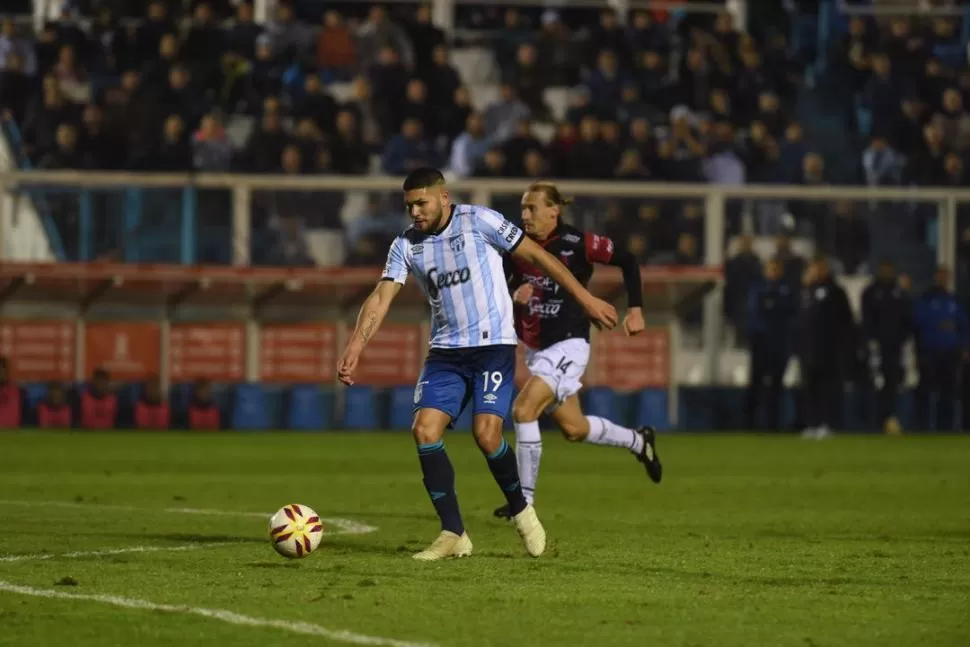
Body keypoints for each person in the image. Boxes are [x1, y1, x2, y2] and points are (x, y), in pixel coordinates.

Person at [336, 167, 618, 561]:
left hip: (492, 348)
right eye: (409, 205)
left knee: (487, 435)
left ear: (443, 198)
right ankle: (453, 531)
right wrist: (355, 346)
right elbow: (381, 297)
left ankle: (522, 512)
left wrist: (586, 301)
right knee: (424, 431)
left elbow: (538, 256)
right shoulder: (406, 245)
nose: (415, 212)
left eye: (422, 203)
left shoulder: (479, 221)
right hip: (445, 353)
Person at [492, 182, 662, 520]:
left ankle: (522, 503)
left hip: (569, 342)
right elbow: (502, 284)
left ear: (554, 210)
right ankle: (639, 442)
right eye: (523, 208)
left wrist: (637, 308)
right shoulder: (515, 248)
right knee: (574, 429)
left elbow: (627, 259)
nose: (525, 215)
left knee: (524, 410)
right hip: (537, 350)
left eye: (533, 208)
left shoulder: (577, 243)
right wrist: (515, 294)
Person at [796, 257, 855, 439]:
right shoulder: (805, 291)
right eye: (813, 268)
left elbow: (846, 321)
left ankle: (828, 423)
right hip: (807, 349)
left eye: (819, 268)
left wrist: (842, 345)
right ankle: (812, 423)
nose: (816, 272)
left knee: (828, 388)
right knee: (809, 387)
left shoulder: (836, 291)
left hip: (829, 349)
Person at [743, 258, 797, 430]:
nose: (773, 272)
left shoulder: (787, 289)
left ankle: (772, 424)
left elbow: (790, 313)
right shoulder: (757, 289)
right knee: (756, 384)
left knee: (776, 385)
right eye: (770, 268)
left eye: (776, 268)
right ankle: (750, 423)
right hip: (761, 344)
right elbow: (754, 315)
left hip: (779, 344)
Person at [913, 266, 968, 431]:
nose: (942, 280)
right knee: (926, 391)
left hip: (950, 353)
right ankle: (922, 426)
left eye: (946, 277)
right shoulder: (926, 299)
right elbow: (919, 321)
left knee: (948, 392)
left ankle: (945, 427)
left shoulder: (954, 300)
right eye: (940, 276)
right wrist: (939, 325)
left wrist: (965, 346)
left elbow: (964, 325)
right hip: (930, 351)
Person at [860, 261, 911, 433]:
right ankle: (874, 421)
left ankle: (890, 419)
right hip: (876, 346)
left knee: (893, 383)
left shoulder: (899, 292)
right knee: (875, 383)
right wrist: (871, 341)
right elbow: (866, 319)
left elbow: (907, 317)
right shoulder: (871, 292)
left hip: (895, 346)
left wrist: (904, 339)